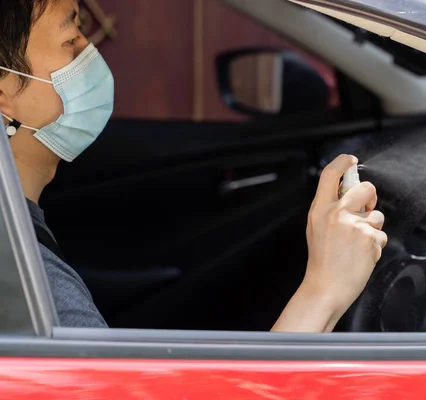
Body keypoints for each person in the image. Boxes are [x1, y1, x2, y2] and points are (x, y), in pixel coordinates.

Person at [0, 0, 387, 332]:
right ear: (4, 96)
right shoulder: (37, 292)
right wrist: (324, 290)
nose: (90, 54)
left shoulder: (20, 244)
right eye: (71, 41)